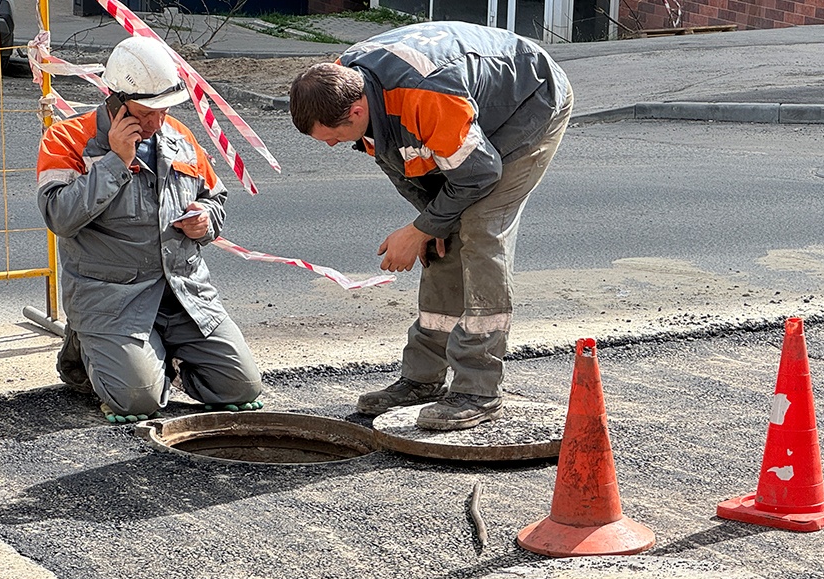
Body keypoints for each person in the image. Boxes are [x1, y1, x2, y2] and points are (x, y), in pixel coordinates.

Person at [289, 21, 572, 431]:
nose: (334, 145)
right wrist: (431, 224)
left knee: (479, 230)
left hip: (528, 104)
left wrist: (422, 228)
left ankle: (478, 390)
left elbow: (479, 174)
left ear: (356, 111)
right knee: (442, 237)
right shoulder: (344, 82)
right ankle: (423, 379)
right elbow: (399, 163)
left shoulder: (426, 95)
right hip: (463, 109)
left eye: (335, 136)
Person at [36, 36, 263, 423]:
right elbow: (60, 217)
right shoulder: (68, 139)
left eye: (164, 110)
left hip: (183, 294)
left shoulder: (178, 136)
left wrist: (205, 220)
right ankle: (85, 343)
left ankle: (156, 353)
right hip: (112, 300)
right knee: (139, 401)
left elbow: (216, 199)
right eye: (145, 113)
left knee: (241, 387)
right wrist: (115, 162)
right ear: (117, 99)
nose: (157, 123)